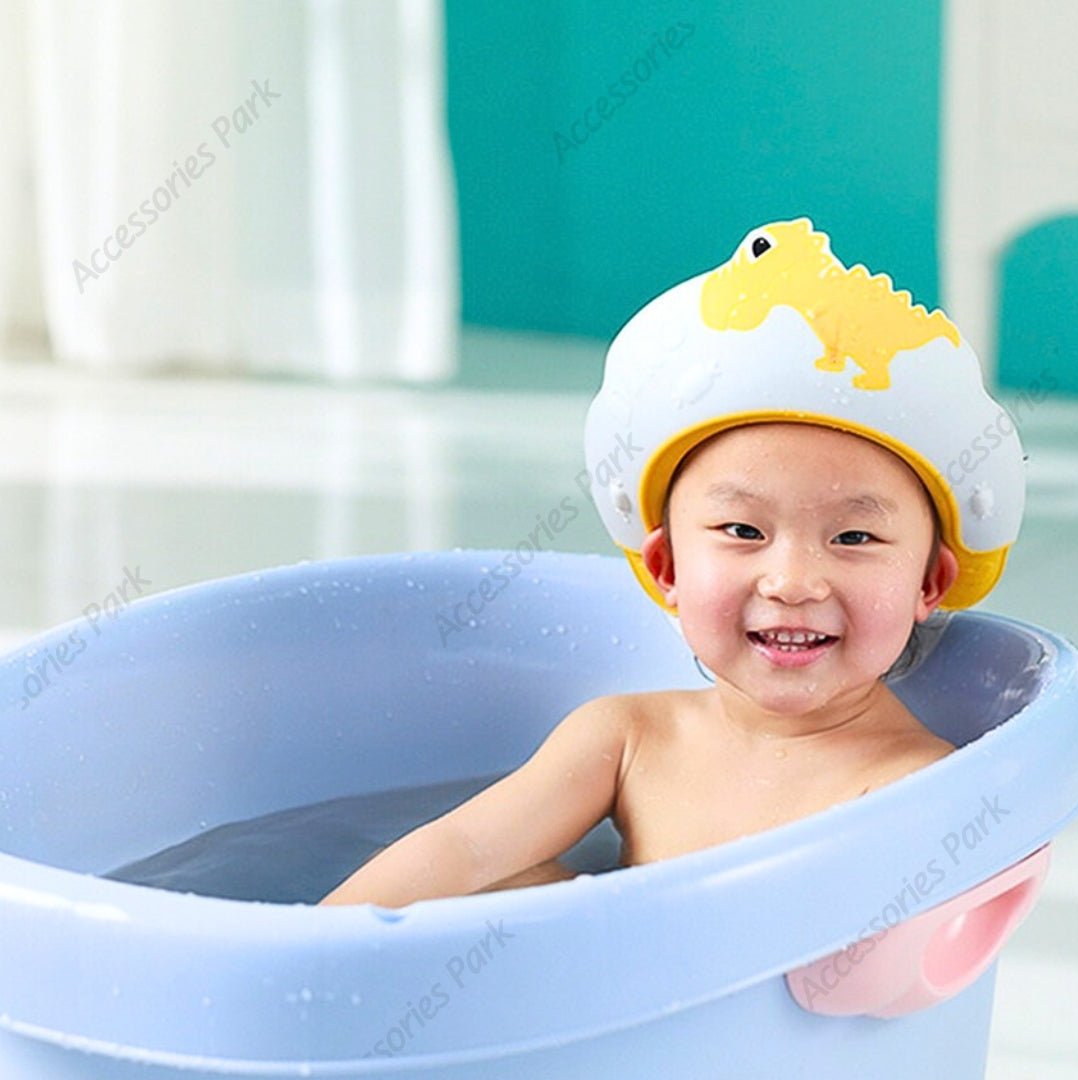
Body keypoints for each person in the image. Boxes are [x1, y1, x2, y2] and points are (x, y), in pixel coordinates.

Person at [318, 217, 1025, 908]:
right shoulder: (626, 737)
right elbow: (464, 849)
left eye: (853, 539)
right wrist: (313, 950)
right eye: (744, 529)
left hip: (735, 1022)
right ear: (668, 570)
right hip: (610, 996)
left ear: (928, 582)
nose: (793, 582)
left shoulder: (913, 787)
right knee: (490, 888)